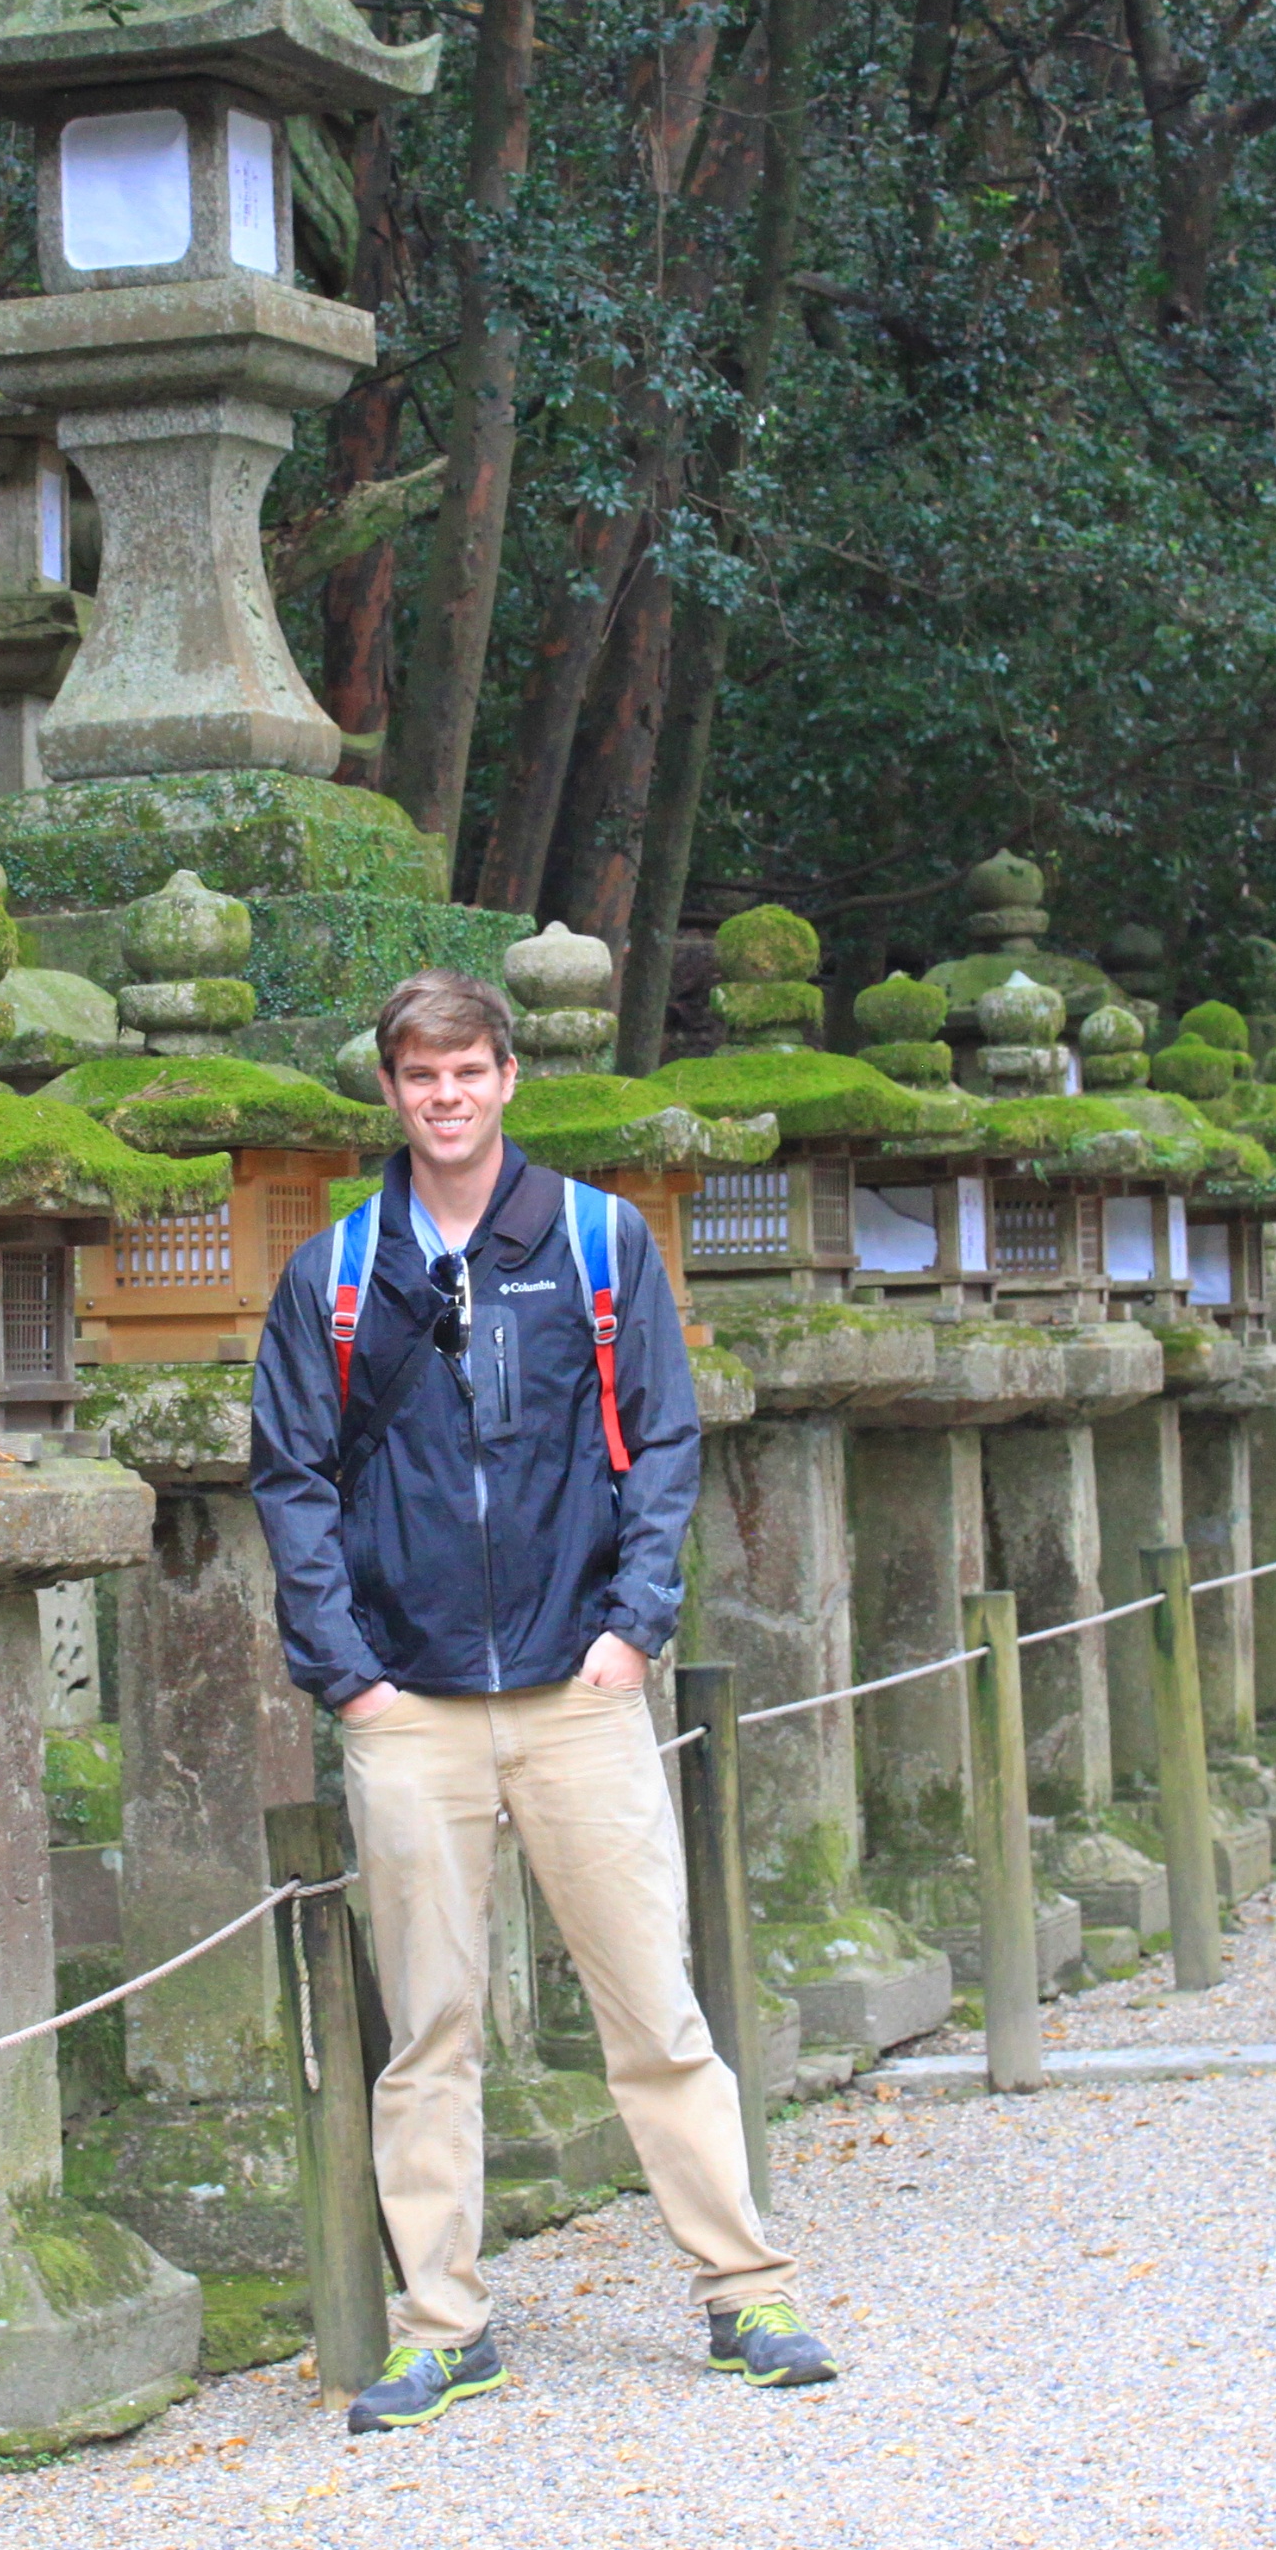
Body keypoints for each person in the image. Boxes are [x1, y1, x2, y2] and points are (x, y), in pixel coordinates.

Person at [250, 968, 837, 2431]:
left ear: (509, 1077)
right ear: (390, 1091)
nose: (445, 1099)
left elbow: (665, 1440)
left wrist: (636, 1630)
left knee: (653, 1999)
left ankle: (743, 2287)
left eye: (467, 1073)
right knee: (430, 2029)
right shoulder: (338, 1269)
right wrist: (350, 1676)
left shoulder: (595, 1238)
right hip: (412, 1705)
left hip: (581, 1683)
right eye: (419, 1077)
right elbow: (292, 1480)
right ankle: (444, 2322)